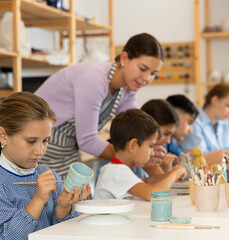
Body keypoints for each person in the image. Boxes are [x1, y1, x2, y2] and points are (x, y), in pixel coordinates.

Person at [35, 33, 164, 178]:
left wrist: (149, 149)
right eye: (142, 68)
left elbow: (133, 133)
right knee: (67, 196)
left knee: (79, 194)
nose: (147, 78)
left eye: (153, 73)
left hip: (68, 148)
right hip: (41, 145)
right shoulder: (94, 79)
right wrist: (134, 156)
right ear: (124, 58)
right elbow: (87, 140)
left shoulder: (129, 89)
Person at [0, 92, 91, 240]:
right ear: (3, 135)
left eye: (45, 140)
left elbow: (65, 234)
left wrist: (63, 207)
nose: (40, 151)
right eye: (31, 141)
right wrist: (37, 200)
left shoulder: (48, 175)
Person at [94, 109, 187, 201]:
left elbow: (146, 182)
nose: (153, 153)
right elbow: (152, 194)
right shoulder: (116, 172)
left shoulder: (118, 170)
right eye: (151, 146)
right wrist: (175, 174)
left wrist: (170, 174)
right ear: (133, 145)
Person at [177, 83, 229, 164]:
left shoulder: (223, 122)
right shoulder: (194, 121)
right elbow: (199, 156)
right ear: (215, 100)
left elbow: (228, 145)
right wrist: (228, 152)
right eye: (228, 106)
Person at [140, 99, 180, 176]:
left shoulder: (155, 155)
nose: (168, 141)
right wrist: (168, 172)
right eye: (166, 134)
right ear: (150, 127)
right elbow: (161, 186)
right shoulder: (142, 156)